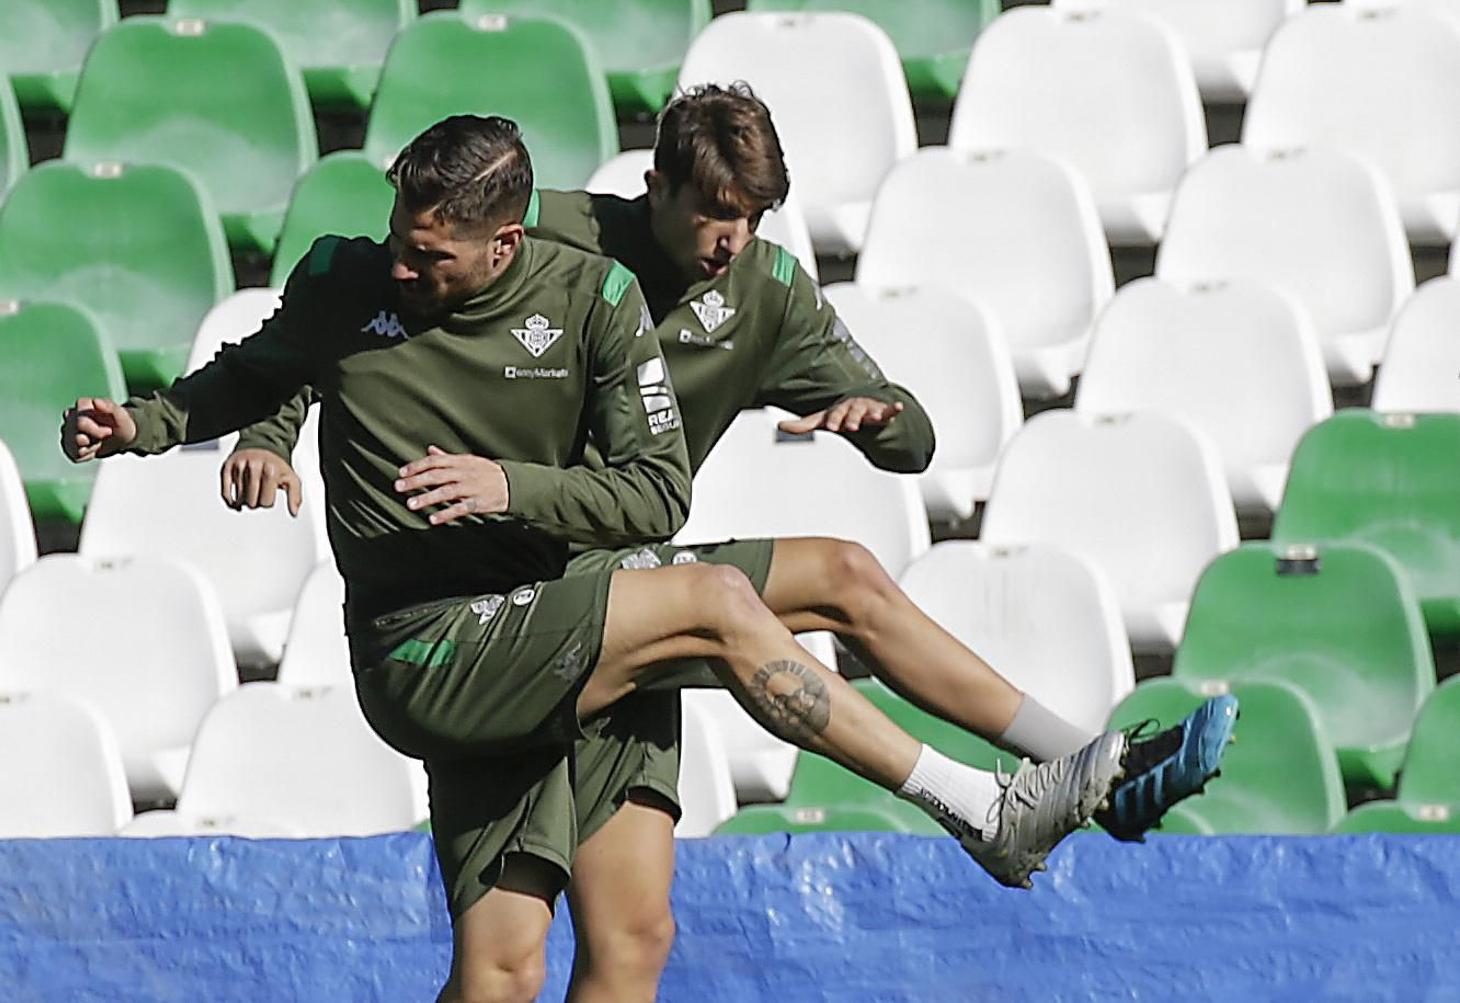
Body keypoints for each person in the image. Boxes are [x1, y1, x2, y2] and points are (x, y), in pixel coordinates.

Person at [63, 115, 1129, 1003]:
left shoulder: (592, 299)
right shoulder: (350, 281)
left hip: (570, 610)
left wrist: (508, 484)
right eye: (401, 236)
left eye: (429, 252)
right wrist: (150, 424)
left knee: (547, 963)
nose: (402, 261)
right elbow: (259, 368)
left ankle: (1081, 759)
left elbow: (659, 491)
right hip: (433, 645)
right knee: (712, 598)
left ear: (502, 243)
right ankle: (981, 807)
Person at [224, 83, 1237, 843]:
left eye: (751, 217)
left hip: (619, 582)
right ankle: (979, 807)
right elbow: (364, 318)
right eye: (713, 213)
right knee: (504, 968)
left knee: (840, 576)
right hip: (495, 601)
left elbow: (920, 439)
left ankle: (1090, 767)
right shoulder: (552, 238)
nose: (730, 241)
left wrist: (874, 422)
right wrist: (268, 435)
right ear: (652, 186)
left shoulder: (767, 291)